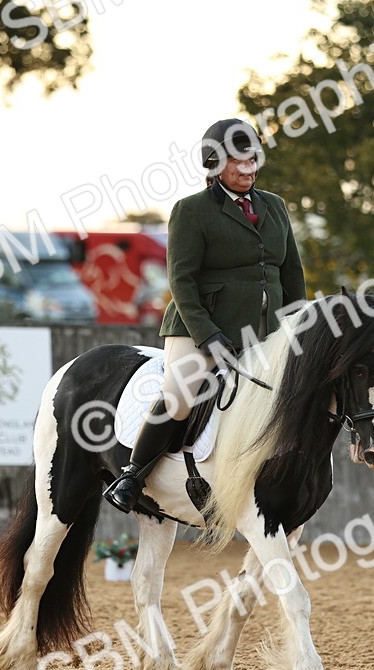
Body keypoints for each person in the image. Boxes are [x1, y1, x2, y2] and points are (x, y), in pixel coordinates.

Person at [103, 118, 307, 514]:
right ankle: (132, 475)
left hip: (266, 331)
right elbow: (182, 281)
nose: (248, 168)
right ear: (214, 164)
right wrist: (208, 334)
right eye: (238, 162)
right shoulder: (191, 211)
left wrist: (296, 328)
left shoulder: (275, 207)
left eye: (253, 160)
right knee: (181, 393)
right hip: (199, 327)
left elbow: (292, 275)